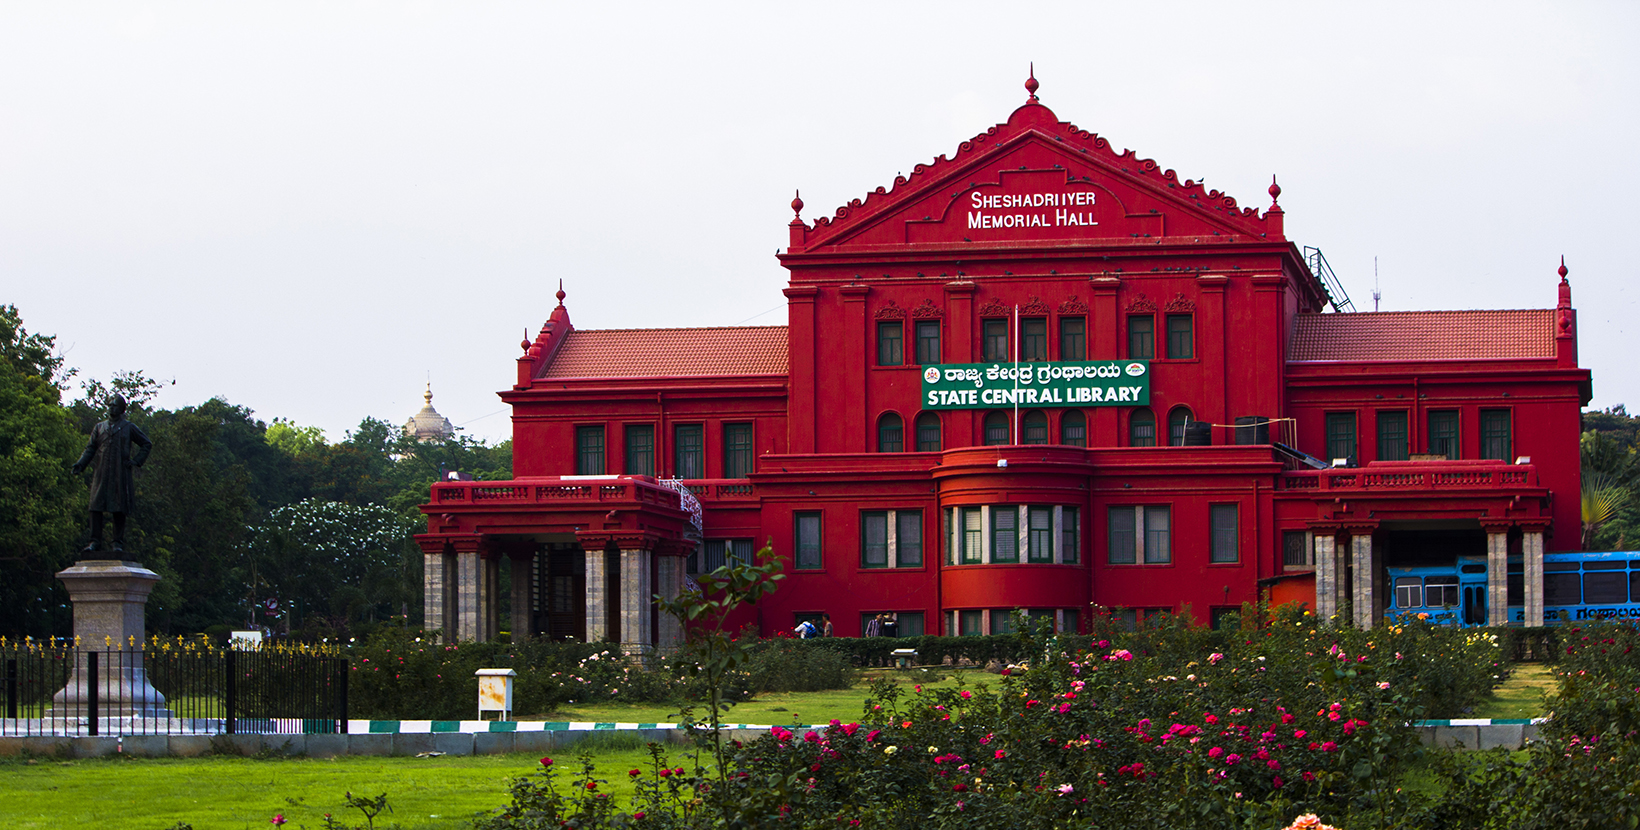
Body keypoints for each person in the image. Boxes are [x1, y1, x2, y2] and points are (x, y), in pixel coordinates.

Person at [71, 394, 152, 554]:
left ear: (122, 409)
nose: (111, 408)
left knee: (119, 508)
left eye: (114, 405)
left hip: (119, 473)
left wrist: (136, 461)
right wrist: (81, 464)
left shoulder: (128, 427)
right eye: (109, 405)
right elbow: (90, 448)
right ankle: (94, 541)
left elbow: (146, 443)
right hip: (101, 472)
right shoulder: (99, 427)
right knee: (95, 506)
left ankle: (117, 543)